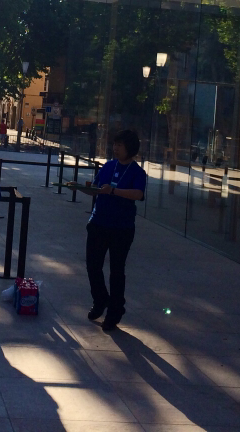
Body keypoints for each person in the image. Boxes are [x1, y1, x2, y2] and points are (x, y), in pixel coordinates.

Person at [86, 129, 146, 332]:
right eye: (115, 144)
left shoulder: (137, 172)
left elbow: (138, 194)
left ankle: (115, 311)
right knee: (93, 266)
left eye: (120, 145)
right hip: (98, 222)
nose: (115, 148)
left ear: (130, 148)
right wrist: (83, 188)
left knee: (117, 271)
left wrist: (114, 191)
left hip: (121, 228)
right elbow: (96, 187)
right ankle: (101, 299)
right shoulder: (108, 166)